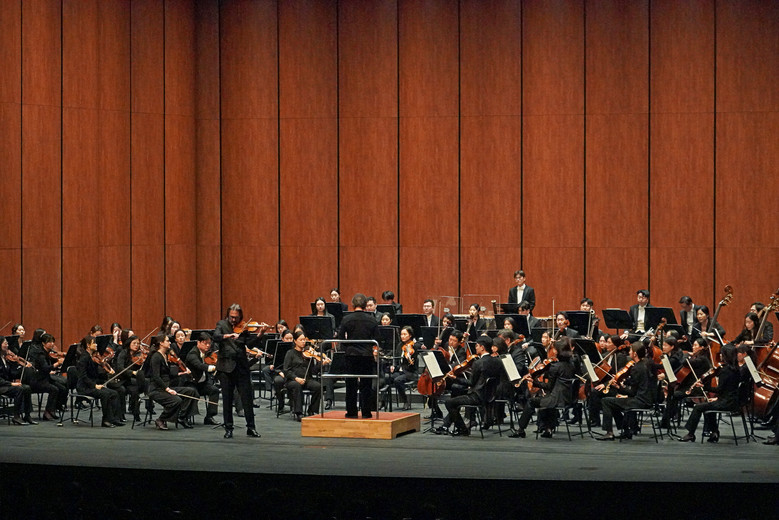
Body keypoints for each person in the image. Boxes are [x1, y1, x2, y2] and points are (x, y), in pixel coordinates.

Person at [434, 336, 504, 436]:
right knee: (457, 398)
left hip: (477, 397)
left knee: (449, 403)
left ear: (482, 347)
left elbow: (471, 383)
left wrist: (455, 378)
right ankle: (450, 424)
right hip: (491, 396)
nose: (476, 348)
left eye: (477, 346)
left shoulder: (478, 363)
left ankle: (462, 429)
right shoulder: (498, 361)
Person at [213, 304, 262, 438]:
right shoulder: (221, 324)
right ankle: (228, 428)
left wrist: (260, 335)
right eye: (231, 317)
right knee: (227, 400)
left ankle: (251, 427)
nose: (234, 320)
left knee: (247, 399)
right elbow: (215, 336)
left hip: (241, 367)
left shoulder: (243, 327)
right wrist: (228, 335)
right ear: (228, 315)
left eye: (236, 317)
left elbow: (249, 344)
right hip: (226, 368)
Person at [510, 339, 576, 438]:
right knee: (546, 398)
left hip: (556, 399)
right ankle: (548, 429)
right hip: (568, 398)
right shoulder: (572, 365)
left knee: (531, 401)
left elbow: (548, 386)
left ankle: (521, 429)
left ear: (557, 351)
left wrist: (534, 382)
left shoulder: (555, 367)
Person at [679, 345, 742, 443]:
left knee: (698, 407)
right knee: (709, 406)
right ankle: (714, 432)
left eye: (722, 354)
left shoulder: (725, 371)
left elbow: (719, 390)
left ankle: (691, 434)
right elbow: (728, 389)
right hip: (733, 401)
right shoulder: (737, 370)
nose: (720, 355)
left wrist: (704, 387)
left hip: (726, 402)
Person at [597, 342, 656, 441]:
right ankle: (626, 431)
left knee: (606, 401)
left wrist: (619, 388)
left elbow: (632, 392)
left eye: (630, 350)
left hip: (640, 401)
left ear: (635, 354)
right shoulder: (645, 364)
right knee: (613, 403)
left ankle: (609, 432)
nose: (629, 352)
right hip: (647, 399)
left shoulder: (636, 368)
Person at [337, 293, 380, 419]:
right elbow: (377, 338)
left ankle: (351, 412)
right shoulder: (372, 319)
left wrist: (347, 347)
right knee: (366, 384)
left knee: (351, 384)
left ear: (352, 304)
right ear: (365, 305)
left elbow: (340, 338)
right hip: (366, 355)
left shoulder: (346, 319)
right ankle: (366, 412)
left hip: (351, 355)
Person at [146, 334, 198, 430]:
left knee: (191, 391)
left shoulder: (165, 355)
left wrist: (181, 373)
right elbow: (156, 377)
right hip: (156, 389)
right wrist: (168, 389)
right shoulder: (156, 357)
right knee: (176, 400)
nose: (170, 342)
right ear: (161, 343)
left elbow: (167, 374)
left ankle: (182, 417)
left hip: (167, 386)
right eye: (167, 341)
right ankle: (161, 419)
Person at [76, 335, 123, 428]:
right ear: (88, 345)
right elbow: (83, 377)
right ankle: (105, 420)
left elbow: (95, 374)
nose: (96, 345)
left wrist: (107, 373)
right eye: (94, 343)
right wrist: (94, 385)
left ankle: (113, 419)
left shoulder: (91, 357)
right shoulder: (84, 358)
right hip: (84, 387)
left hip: (92, 385)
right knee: (105, 394)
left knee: (114, 393)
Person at [283, 330, 323, 421]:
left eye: (304, 339)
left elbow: (313, 371)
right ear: (295, 341)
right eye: (301, 340)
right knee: (297, 386)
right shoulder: (290, 353)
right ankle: (298, 412)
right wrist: (296, 378)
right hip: (292, 380)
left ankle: (312, 410)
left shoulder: (308, 354)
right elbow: (286, 370)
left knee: (318, 386)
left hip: (306, 379)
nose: (303, 342)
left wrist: (321, 364)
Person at [27, 333, 67, 421]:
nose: (52, 344)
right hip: (37, 381)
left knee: (62, 388)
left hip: (45, 379)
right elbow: (45, 368)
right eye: (49, 342)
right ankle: (47, 412)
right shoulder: (40, 354)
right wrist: (57, 363)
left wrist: (60, 360)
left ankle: (54, 409)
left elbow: (52, 361)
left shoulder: (46, 352)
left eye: (53, 342)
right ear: (43, 343)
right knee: (54, 389)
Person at [185, 332, 221, 426]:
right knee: (193, 393)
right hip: (191, 383)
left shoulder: (206, 353)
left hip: (202, 383)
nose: (208, 345)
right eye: (205, 343)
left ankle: (209, 417)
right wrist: (213, 368)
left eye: (209, 343)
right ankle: (186, 416)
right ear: (198, 342)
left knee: (215, 390)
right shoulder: (192, 354)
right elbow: (199, 365)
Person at [0, 335, 36, 425]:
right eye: (5, 343)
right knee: (18, 389)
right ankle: (16, 416)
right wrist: (11, 384)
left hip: (6, 384)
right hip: (2, 386)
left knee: (27, 388)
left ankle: (27, 415)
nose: (7, 345)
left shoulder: (4, 358)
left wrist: (22, 368)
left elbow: (11, 374)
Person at [383, 326, 418, 411]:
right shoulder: (400, 345)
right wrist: (393, 366)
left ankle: (405, 401)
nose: (402, 336)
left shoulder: (414, 346)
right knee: (387, 377)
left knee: (397, 380)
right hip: (400, 371)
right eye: (402, 334)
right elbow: (396, 358)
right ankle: (384, 401)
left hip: (410, 372)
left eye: (405, 334)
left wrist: (409, 357)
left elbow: (412, 364)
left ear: (410, 335)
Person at [114, 335, 147, 422]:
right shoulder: (123, 353)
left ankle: (136, 413)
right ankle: (121, 414)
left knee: (135, 390)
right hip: (121, 380)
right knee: (122, 390)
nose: (136, 345)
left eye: (138, 343)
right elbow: (120, 368)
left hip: (129, 380)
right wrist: (132, 372)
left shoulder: (138, 355)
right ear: (129, 344)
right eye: (134, 343)